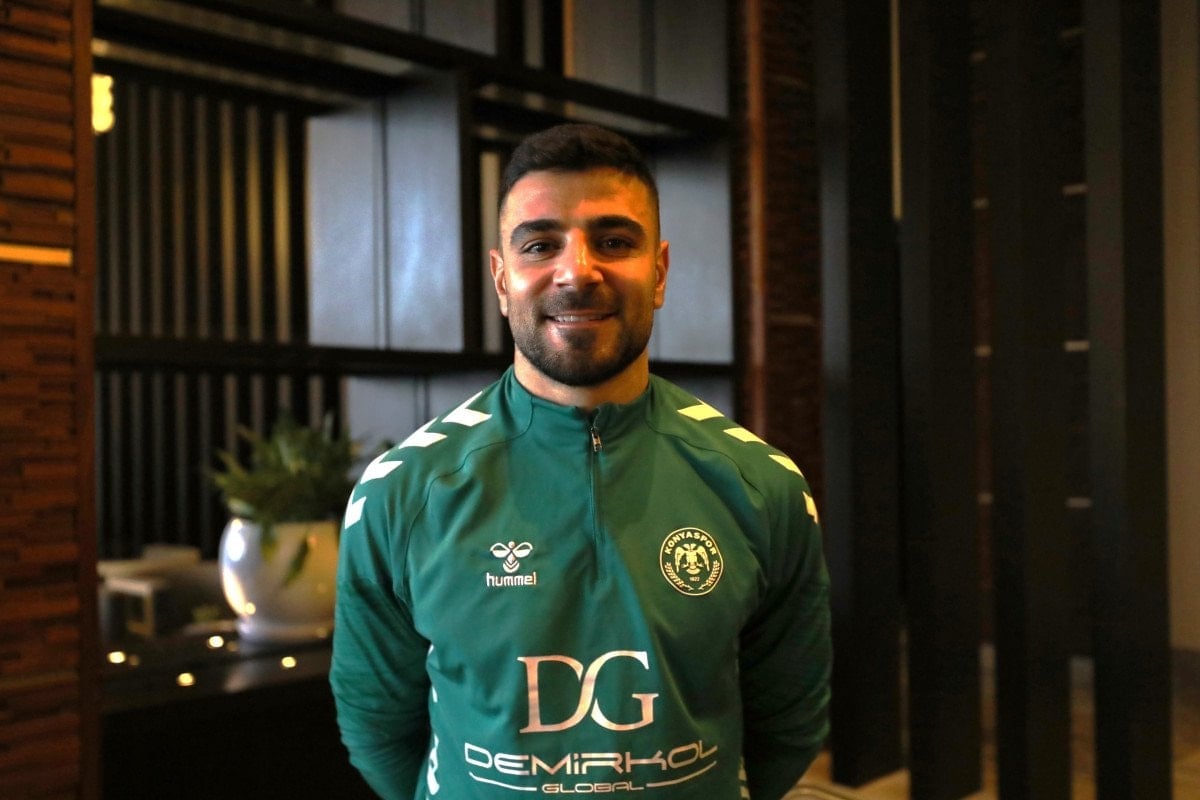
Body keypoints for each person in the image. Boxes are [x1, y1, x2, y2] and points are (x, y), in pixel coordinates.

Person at [331, 123, 831, 800]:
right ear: (501, 278)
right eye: (540, 245)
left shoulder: (763, 486)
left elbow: (788, 727)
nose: (577, 272)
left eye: (614, 241)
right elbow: (378, 731)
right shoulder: (403, 494)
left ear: (659, 272)